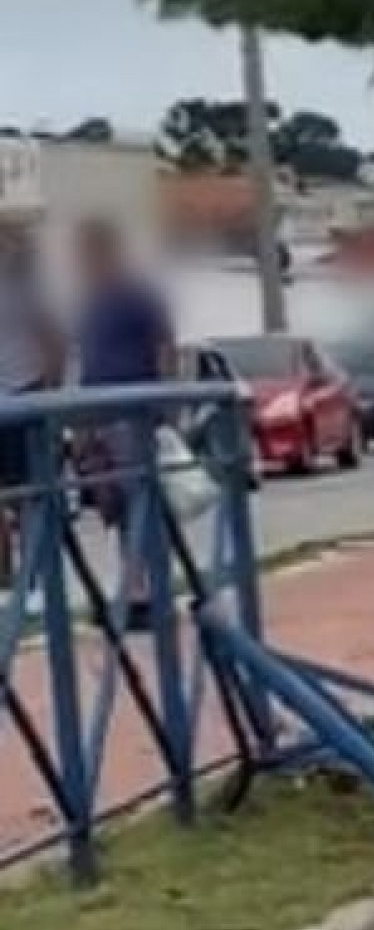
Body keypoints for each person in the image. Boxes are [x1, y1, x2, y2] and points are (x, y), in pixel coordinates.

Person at [73, 219, 177, 626]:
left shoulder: (137, 294)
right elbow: (86, 361)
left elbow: (165, 343)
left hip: (133, 412)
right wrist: (80, 424)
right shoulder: (89, 301)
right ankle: (135, 590)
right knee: (117, 507)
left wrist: (164, 403)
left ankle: (149, 594)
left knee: (142, 502)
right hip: (100, 413)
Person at [0, 223, 63, 596]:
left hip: (21, 394)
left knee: (21, 494)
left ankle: (15, 574)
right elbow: (52, 341)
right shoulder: (26, 289)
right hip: (27, 394)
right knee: (30, 492)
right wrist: (54, 393)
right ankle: (30, 572)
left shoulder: (24, 290)